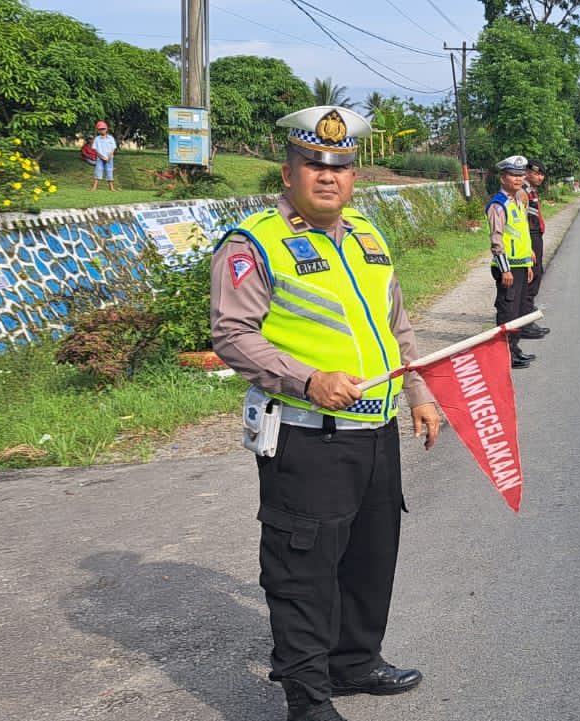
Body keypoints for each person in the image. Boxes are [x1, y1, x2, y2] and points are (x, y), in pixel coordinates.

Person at [209, 105, 443, 721]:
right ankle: (308, 701)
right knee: (303, 574)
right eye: (314, 164)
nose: (328, 176)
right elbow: (232, 333)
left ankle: (355, 662)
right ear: (288, 173)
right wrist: (308, 380)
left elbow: (395, 323)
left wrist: (418, 391)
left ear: (353, 176)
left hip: (376, 431)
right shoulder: (253, 242)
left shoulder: (367, 235)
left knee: (370, 558)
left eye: (339, 166)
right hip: (307, 437)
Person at [487, 155, 537, 369]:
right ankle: (505, 355)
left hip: (520, 266)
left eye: (520, 175)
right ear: (503, 178)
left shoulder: (517, 201)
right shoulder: (498, 205)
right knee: (507, 311)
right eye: (513, 175)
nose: (518, 179)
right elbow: (497, 240)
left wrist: (528, 262)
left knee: (516, 312)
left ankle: (514, 350)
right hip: (507, 268)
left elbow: (521, 233)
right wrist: (505, 269)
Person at [519, 160, 552, 340]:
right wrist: (530, 246)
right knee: (531, 279)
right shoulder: (522, 192)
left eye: (542, 175)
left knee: (537, 274)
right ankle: (525, 323)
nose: (540, 178)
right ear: (527, 172)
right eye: (537, 174)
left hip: (535, 237)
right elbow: (522, 222)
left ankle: (528, 316)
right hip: (529, 238)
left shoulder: (531, 190)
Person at [89, 121, 117, 192]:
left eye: (103, 129)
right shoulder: (97, 139)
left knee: (109, 171)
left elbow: (113, 148)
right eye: (100, 129)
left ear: (106, 129)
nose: (102, 130)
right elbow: (96, 150)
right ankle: (94, 187)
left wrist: (109, 157)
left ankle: (111, 188)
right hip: (100, 158)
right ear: (98, 130)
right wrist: (102, 157)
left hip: (109, 158)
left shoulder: (111, 138)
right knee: (98, 171)